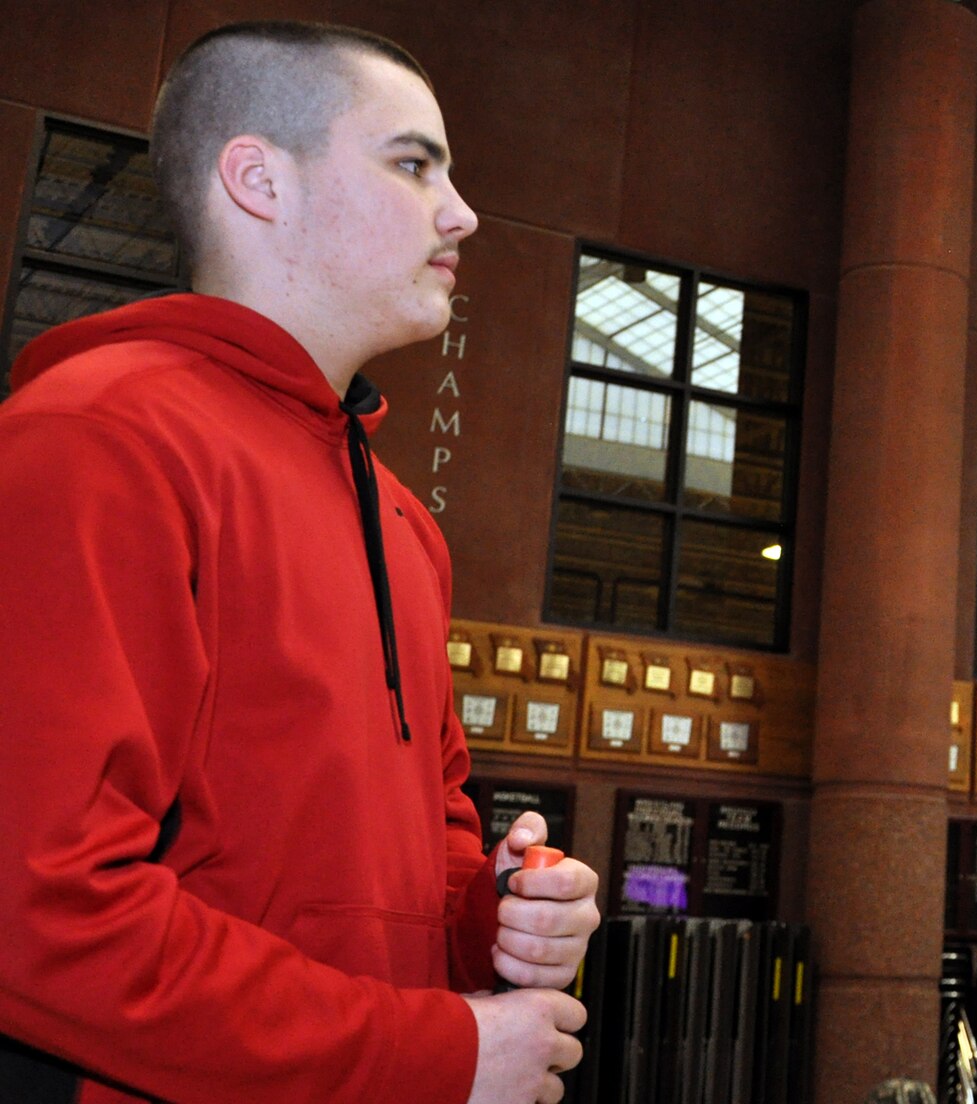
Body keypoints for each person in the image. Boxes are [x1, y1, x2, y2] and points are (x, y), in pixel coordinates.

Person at [0, 22, 600, 1104]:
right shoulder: (96, 441)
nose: (461, 212)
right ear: (258, 180)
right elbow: (37, 912)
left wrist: (490, 917)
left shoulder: (405, 525)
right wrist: (439, 1056)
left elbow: (428, 838)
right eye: (414, 164)